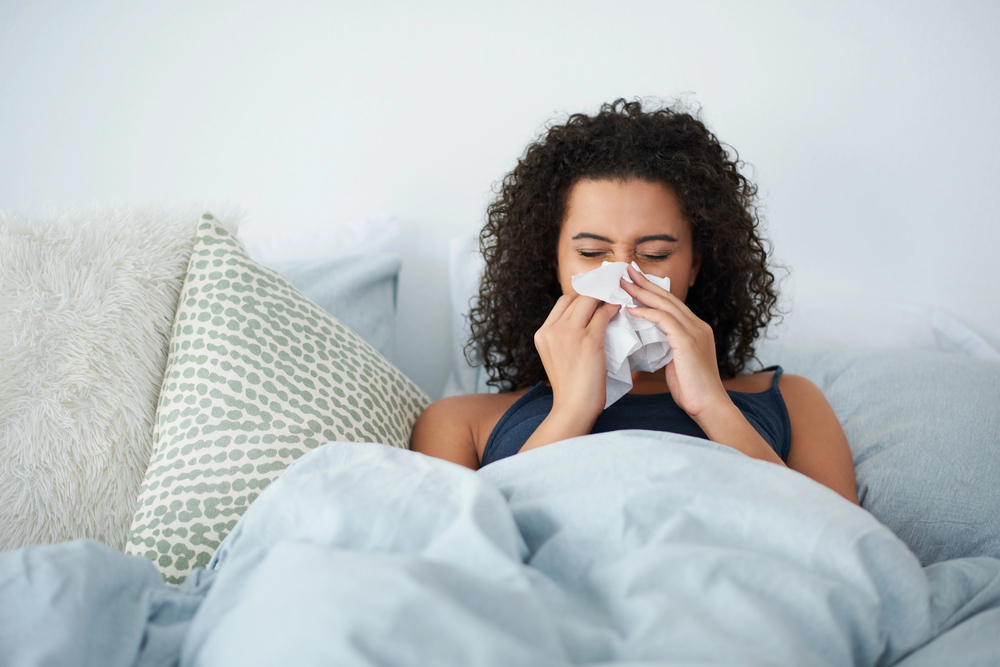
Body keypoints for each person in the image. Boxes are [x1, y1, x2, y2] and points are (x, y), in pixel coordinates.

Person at [412, 99, 858, 504]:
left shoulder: (790, 401)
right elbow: (456, 555)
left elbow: (849, 553)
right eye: (591, 254)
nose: (624, 279)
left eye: (654, 255)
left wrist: (713, 407)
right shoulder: (461, 423)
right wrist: (571, 410)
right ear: (552, 261)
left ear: (695, 265)